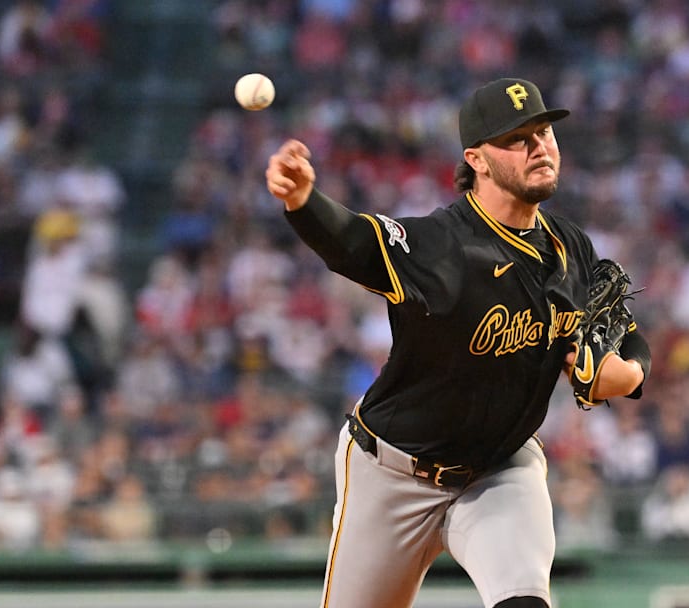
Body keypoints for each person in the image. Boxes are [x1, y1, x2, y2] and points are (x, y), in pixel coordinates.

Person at [265, 77, 651, 608]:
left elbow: (627, 335)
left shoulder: (570, 247)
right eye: (518, 138)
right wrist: (305, 200)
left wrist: (628, 376)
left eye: (544, 132)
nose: (540, 146)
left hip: (499, 472)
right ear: (478, 159)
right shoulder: (442, 245)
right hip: (393, 474)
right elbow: (354, 242)